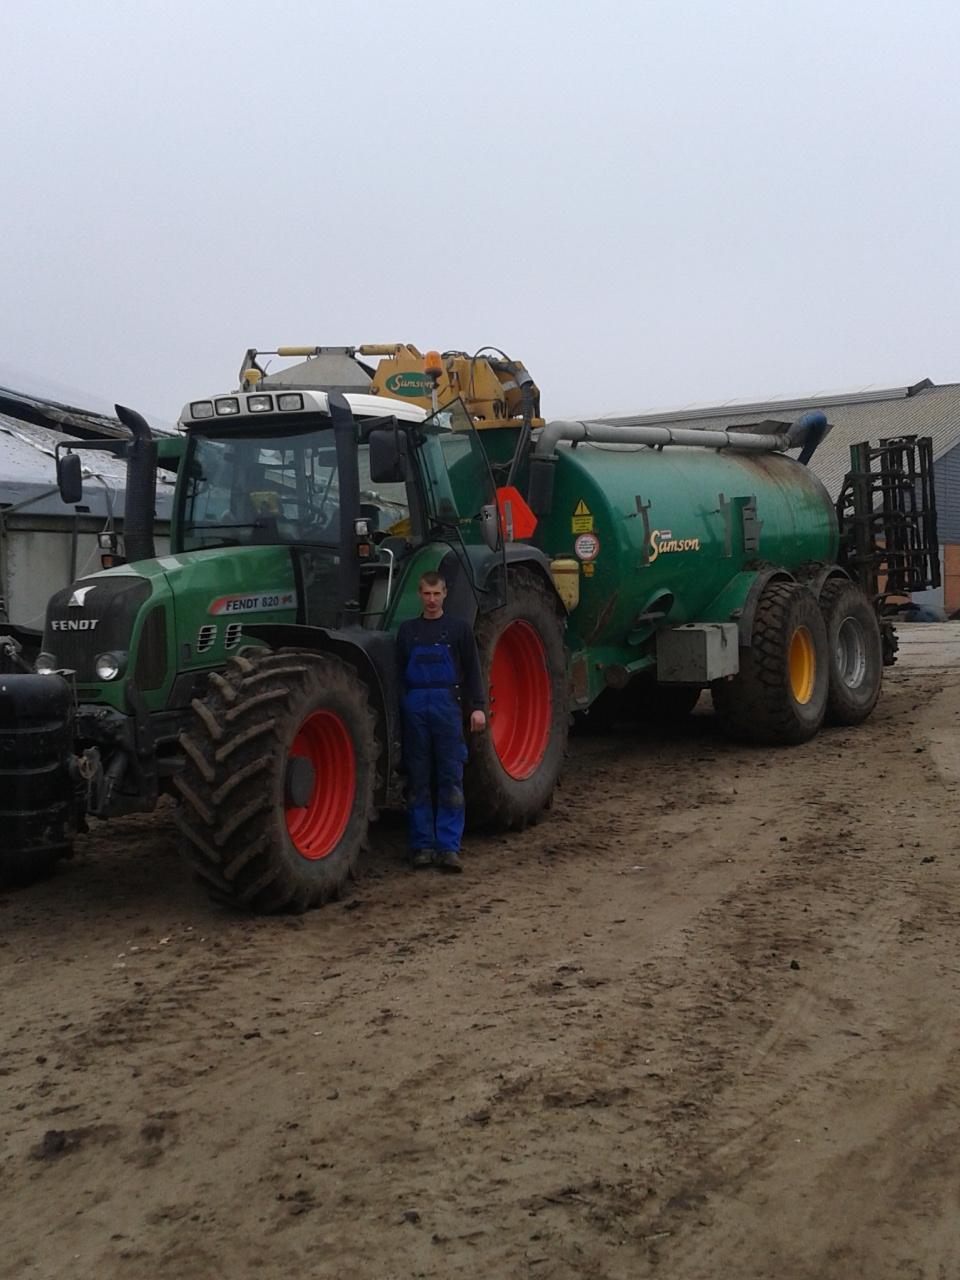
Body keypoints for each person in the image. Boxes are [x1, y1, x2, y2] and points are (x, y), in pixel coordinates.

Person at [397, 571, 486, 872]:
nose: (432, 600)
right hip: (415, 709)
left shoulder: (458, 630)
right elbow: (398, 676)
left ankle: (448, 848)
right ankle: (421, 846)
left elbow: (473, 671)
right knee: (418, 778)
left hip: (448, 708)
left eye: (437, 594)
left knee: (450, 778)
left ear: (445, 593)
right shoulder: (407, 632)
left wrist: (477, 707)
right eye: (427, 594)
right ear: (419, 595)